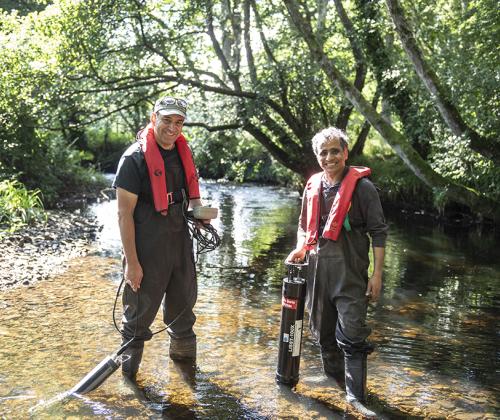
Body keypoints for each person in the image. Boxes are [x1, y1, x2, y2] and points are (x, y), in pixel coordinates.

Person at [286, 127, 387, 417]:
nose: (329, 157)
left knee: (353, 333)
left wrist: (377, 274)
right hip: (317, 272)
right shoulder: (312, 186)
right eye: (323, 152)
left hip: (351, 273)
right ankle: (336, 385)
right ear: (318, 157)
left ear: (345, 153)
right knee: (324, 335)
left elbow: (379, 233)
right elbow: (304, 226)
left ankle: (356, 399)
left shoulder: (363, 189)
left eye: (334, 151)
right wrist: (299, 248)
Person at [113, 95, 209, 379]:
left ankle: (186, 383)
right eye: (167, 120)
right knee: (136, 324)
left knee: (182, 317)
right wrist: (132, 262)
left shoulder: (183, 153)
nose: (173, 127)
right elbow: (123, 215)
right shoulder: (133, 159)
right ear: (154, 118)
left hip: (180, 249)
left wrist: (200, 215)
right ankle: (130, 387)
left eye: (179, 122)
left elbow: (190, 200)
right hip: (145, 252)